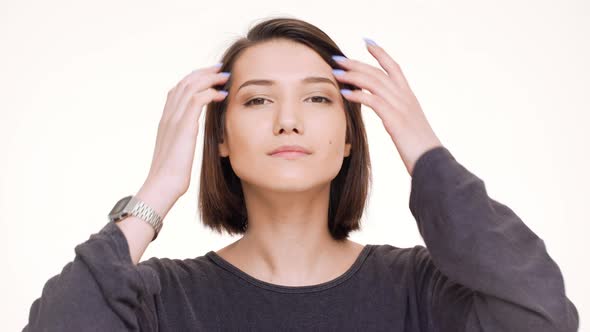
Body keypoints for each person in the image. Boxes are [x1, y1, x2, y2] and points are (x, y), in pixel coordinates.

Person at [24, 17, 578, 331]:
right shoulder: (159, 300)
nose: (288, 121)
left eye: (317, 98)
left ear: (347, 136)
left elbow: (541, 315)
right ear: (220, 136)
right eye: (257, 101)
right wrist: (158, 188)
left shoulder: (421, 292)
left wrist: (423, 148)